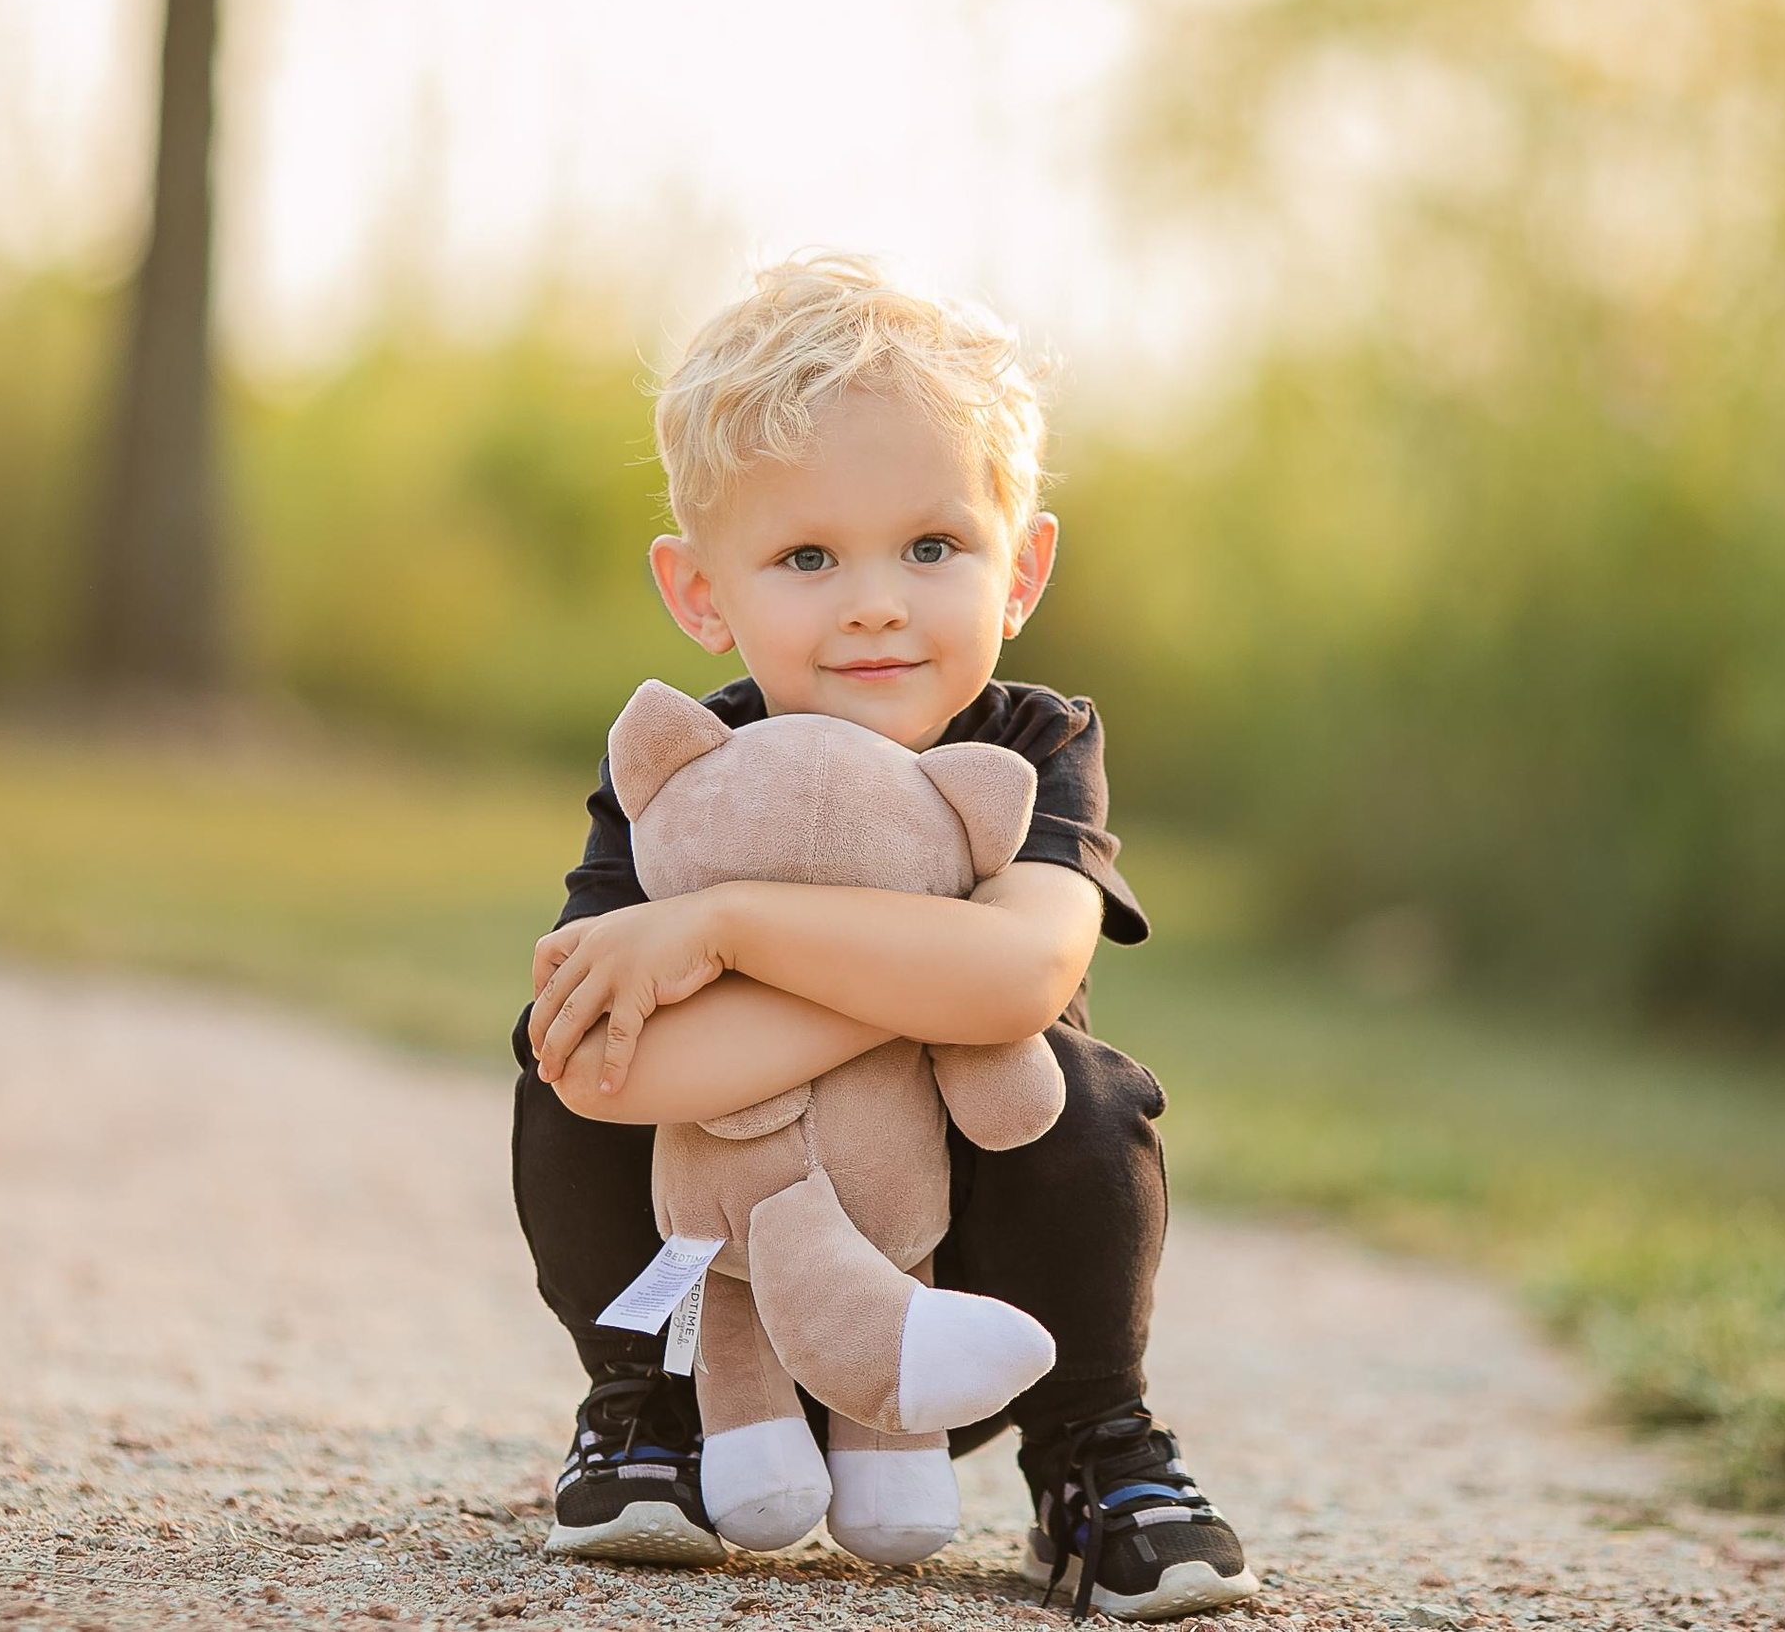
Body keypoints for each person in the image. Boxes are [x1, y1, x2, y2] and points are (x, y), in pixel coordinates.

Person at [508, 251, 1259, 1621]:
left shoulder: (1031, 744)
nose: (874, 600)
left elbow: (1020, 977)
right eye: (807, 556)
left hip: (967, 1316)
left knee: (1083, 1094)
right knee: (560, 1083)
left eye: (932, 547)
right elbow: (607, 1069)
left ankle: (1093, 1449)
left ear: (1021, 567)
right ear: (700, 592)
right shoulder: (683, 771)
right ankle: (645, 1414)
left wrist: (732, 929)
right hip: (720, 1301)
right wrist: (918, 975)